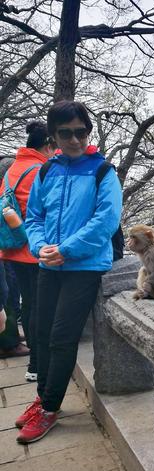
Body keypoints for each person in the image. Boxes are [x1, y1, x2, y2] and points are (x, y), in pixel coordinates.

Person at [15, 101, 122, 443]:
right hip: (49, 264)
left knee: (61, 337)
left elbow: (105, 221)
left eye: (81, 131)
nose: (75, 139)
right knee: (39, 332)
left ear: (88, 131)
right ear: (54, 135)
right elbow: (34, 218)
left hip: (84, 267)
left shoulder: (103, 171)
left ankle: (49, 408)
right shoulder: (48, 171)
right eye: (66, 133)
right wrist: (41, 247)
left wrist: (66, 249)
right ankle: (43, 398)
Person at [0, 121, 56, 376]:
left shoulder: (13, 168)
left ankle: (35, 362)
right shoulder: (39, 170)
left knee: (27, 302)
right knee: (37, 306)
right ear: (47, 145)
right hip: (33, 249)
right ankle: (36, 365)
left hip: (13, 247)